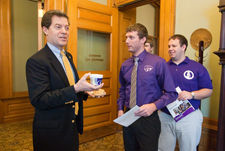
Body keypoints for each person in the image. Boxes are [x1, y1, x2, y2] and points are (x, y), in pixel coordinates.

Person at [26, 10, 104, 151]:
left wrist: (84, 92)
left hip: (71, 125)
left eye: (67, 27)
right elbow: (40, 99)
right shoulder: (36, 61)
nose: (64, 31)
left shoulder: (68, 56)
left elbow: (67, 86)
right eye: (58, 27)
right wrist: (76, 89)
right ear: (45, 30)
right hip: (51, 132)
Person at [117, 23, 177, 151]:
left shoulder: (158, 62)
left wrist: (154, 106)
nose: (127, 41)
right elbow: (122, 89)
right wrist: (120, 109)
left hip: (148, 118)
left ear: (143, 40)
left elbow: (171, 93)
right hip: (128, 115)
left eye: (131, 37)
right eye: (126, 37)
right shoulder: (125, 65)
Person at [158, 34, 213, 151]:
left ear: (183, 47)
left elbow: (208, 90)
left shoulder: (197, 67)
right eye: (169, 46)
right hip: (165, 115)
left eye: (174, 45)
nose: (170, 49)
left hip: (189, 116)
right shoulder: (163, 67)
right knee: (162, 149)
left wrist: (191, 94)